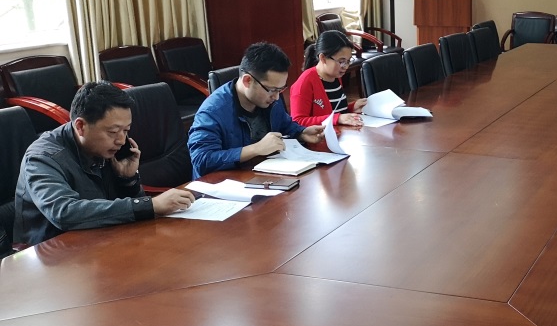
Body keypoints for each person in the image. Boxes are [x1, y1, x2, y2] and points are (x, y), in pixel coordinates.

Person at [14, 81, 196, 246]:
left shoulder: (107, 147)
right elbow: (64, 212)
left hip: (101, 239)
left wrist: (128, 179)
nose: (121, 140)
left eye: (126, 130)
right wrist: (150, 205)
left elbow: (119, 210)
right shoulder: (43, 158)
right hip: (52, 254)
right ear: (80, 126)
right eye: (113, 132)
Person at [188, 42, 324, 178]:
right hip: (224, 184)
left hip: (264, 176)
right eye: (272, 90)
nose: (276, 97)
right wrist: (256, 149)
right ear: (247, 81)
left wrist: (301, 132)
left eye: (280, 89)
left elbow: (285, 125)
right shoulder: (213, 111)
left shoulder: (269, 100)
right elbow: (201, 160)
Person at [289, 30, 367, 127]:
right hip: (320, 135)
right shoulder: (305, 82)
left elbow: (334, 111)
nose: (346, 66)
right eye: (341, 61)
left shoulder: (335, 75)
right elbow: (298, 121)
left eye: (348, 61)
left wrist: (352, 107)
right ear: (323, 58)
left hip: (339, 132)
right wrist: (337, 118)